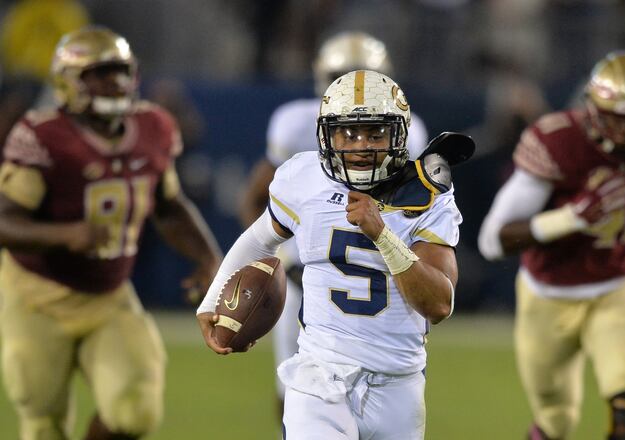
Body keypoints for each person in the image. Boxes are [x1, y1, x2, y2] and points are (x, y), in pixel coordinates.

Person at [199, 69, 464, 439]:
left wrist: (383, 236)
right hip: (320, 375)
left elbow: (438, 305)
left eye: (375, 133)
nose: (360, 147)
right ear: (327, 135)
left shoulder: (427, 195)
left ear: (399, 135)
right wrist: (211, 302)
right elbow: (259, 240)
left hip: (399, 385)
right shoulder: (303, 178)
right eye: (348, 133)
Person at [0, 26, 222, 440]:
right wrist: (64, 234)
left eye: (121, 72)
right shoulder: (42, 135)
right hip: (36, 296)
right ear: (69, 80)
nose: (115, 83)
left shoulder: (154, 127)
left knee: (135, 413)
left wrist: (209, 258)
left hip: (108, 297)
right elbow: (4, 220)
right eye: (100, 73)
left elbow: (170, 206)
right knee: (43, 421)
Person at [477, 51, 625, 440]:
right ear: (594, 110)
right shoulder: (561, 141)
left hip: (617, 284)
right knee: (556, 419)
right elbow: (492, 240)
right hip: (548, 294)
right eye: (620, 118)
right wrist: (574, 216)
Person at [238, 31, 429, 414]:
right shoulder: (294, 124)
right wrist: (273, 260)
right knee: (294, 386)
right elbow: (256, 199)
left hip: (377, 273)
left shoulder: (409, 130)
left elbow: (418, 217)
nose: (355, 87)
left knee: (387, 388)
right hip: (302, 273)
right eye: (342, 74)